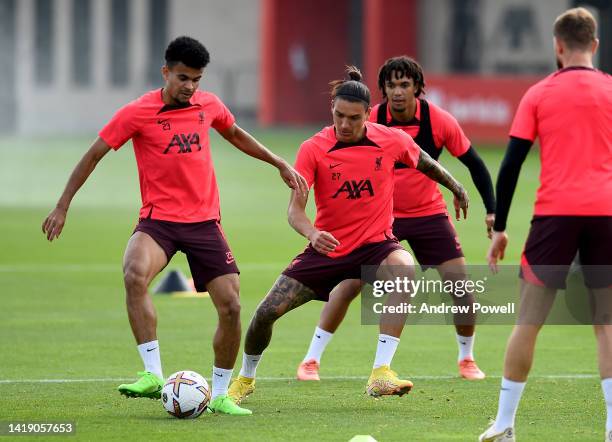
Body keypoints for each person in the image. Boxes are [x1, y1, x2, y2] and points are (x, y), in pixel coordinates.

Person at [41, 36, 307, 416]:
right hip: (158, 223)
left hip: (203, 224)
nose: (190, 87)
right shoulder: (137, 112)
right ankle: (152, 374)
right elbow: (93, 154)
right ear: (165, 72)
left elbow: (235, 134)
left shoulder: (208, 105)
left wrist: (278, 161)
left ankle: (218, 395)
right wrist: (62, 206)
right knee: (134, 274)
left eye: (196, 79)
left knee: (231, 306)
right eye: (183, 77)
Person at [227, 66, 469, 406]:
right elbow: (295, 211)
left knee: (404, 268)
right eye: (338, 116)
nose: (344, 124)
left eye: (353, 118)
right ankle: (245, 378)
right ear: (332, 110)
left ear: (367, 115)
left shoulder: (390, 140)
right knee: (265, 313)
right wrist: (312, 233)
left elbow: (424, 160)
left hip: (376, 246)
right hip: (329, 249)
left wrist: (455, 186)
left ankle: (381, 372)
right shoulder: (313, 148)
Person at [296, 56, 495, 382]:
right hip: (379, 217)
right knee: (348, 285)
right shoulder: (366, 119)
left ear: (418, 87)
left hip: (429, 213)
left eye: (405, 84)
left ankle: (466, 358)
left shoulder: (439, 121)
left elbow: (474, 163)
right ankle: (311, 360)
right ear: (383, 91)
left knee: (460, 285)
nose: (398, 92)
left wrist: (491, 209)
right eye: (391, 85)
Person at [479, 8, 612, 441]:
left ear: (557, 46)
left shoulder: (538, 93)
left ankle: (504, 424)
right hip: (606, 213)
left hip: (555, 215)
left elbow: (512, 164)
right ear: (594, 45)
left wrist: (499, 227)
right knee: (606, 323)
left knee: (528, 322)